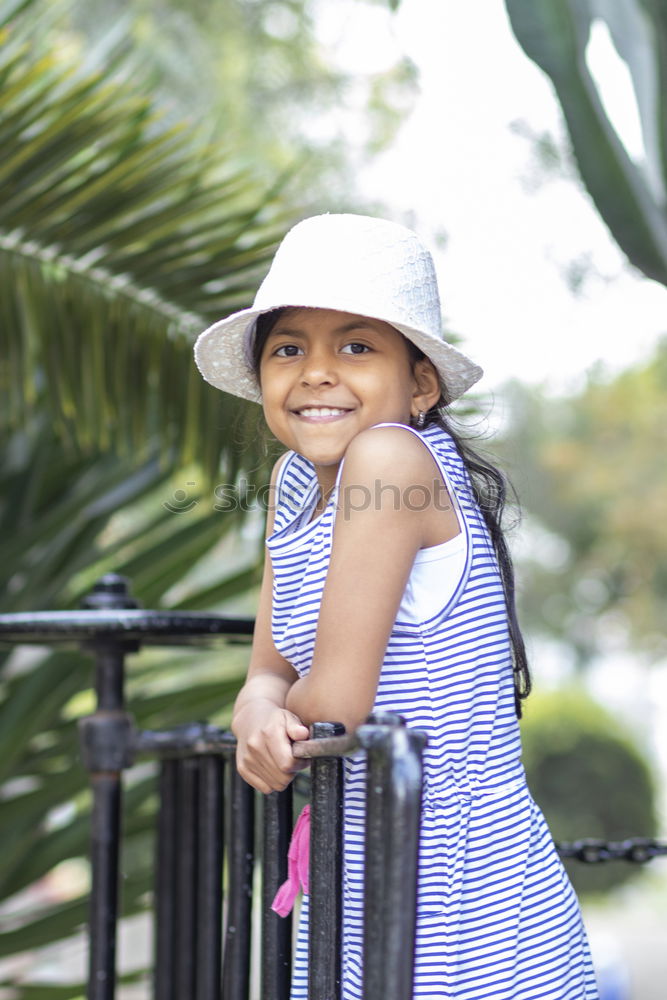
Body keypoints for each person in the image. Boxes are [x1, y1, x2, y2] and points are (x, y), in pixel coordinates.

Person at [194, 214, 599, 1000]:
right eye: (287, 349)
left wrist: (282, 719)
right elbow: (268, 672)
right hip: (366, 864)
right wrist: (254, 717)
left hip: (462, 892)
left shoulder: (391, 459)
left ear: (420, 384)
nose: (315, 372)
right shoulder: (292, 487)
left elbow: (334, 704)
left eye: (355, 346)